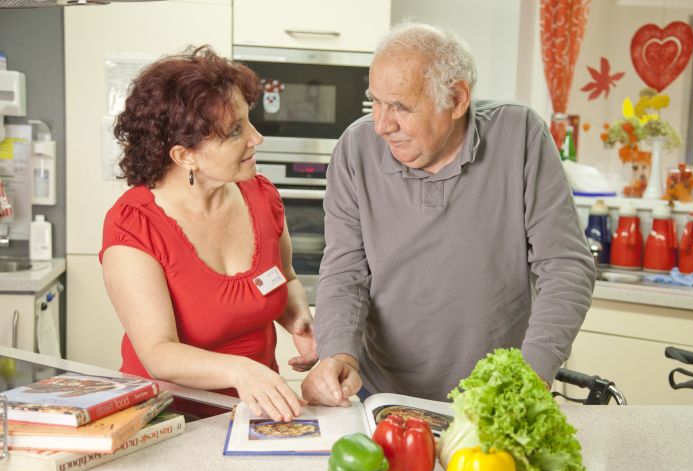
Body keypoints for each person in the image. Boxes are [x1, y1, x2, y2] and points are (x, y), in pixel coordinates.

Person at [301, 23, 595, 405]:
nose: (381, 125)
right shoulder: (355, 150)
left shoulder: (520, 135)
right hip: (381, 393)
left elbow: (566, 265)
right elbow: (345, 272)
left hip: (497, 394)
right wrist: (338, 353)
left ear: (456, 99)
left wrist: (533, 372)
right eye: (375, 101)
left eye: (400, 107)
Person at [100, 46, 317, 422]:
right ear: (185, 156)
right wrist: (240, 370)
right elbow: (158, 352)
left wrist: (299, 318)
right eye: (235, 131)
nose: (256, 137)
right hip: (164, 422)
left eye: (248, 121)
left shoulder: (262, 196)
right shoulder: (134, 225)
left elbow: (288, 278)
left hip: (255, 415)